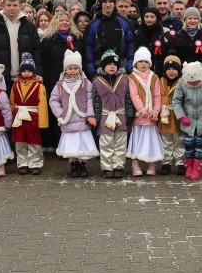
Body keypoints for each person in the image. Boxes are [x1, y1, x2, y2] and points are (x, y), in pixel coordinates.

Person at [40, 10, 84, 152]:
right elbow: (44, 63)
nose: (64, 22)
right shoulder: (48, 40)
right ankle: (57, 143)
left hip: (75, 82)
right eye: (61, 20)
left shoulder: (77, 39)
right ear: (55, 23)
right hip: (55, 81)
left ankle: (74, 145)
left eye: (67, 20)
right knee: (59, 112)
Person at [50, 49, 98, 177]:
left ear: (80, 69)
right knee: (72, 146)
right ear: (65, 69)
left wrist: (90, 114)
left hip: (82, 120)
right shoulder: (60, 85)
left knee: (82, 145)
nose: (72, 71)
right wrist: (60, 114)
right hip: (68, 120)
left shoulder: (86, 83)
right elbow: (53, 100)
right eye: (70, 68)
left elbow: (90, 99)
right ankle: (73, 165)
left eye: (75, 68)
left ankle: (82, 165)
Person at [0, 0, 43, 91]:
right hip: (0, 78)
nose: (12, 8)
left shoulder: (29, 26)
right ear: (3, 6)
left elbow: (37, 52)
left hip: (24, 77)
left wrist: (38, 73)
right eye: (9, 5)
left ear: (20, 6)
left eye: (15, 5)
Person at [173, 61, 202, 181]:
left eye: (196, 82)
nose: (194, 84)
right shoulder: (181, 83)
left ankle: (197, 167)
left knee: (199, 144)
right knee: (188, 143)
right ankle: (188, 165)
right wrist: (181, 116)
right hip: (188, 117)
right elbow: (176, 101)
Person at [93, 50, 133, 179]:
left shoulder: (125, 79)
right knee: (106, 143)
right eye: (109, 64)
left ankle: (118, 166)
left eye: (114, 64)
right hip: (105, 117)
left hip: (121, 116)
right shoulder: (97, 81)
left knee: (121, 143)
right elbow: (96, 101)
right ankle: (107, 167)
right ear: (103, 66)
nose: (112, 66)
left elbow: (128, 98)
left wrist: (130, 115)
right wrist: (96, 117)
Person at [127, 47, 165, 176]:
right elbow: (134, 95)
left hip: (151, 117)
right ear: (135, 63)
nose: (143, 64)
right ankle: (135, 164)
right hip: (140, 116)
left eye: (146, 62)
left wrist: (156, 110)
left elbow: (157, 95)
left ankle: (152, 164)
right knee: (137, 140)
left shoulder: (154, 77)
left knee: (151, 141)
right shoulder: (132, 77)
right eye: (140, 61)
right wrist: (141, 109)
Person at [9, 53, 48, 175]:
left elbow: (42, 104)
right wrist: (11, 118)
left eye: (29, 70)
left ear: (34, 72)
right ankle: (22, 164)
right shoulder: (15, 86)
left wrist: (42, 122)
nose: (26, 73)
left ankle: (35, 164)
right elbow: (12, 102)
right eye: (24, 70)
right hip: (19, 117)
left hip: (33, 117)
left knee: (34, 142)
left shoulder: (39, 86)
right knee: (20, 142)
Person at [86, 0, 134, 75]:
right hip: (99, 68)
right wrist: (92, 71)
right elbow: (89, 47)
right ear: (100, 3)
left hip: (121, 68)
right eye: (104, 2)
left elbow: (131, 45)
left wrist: (129, 68)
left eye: (110, 1)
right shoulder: (92, 25)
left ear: (114, 3)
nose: (108, 5)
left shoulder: (126, 23)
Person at [170, 7, 202, 76]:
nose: (192, 21)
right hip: (185, 73)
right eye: (190, 18)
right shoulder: (178, 35)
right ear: (185, 20)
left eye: (195, 18)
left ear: (199, 20)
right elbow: (174, 56)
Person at [157, 56, 184, 176]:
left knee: (179, 140)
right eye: (168, 69)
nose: (171, 71)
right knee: (166, 140)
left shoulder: (183, 82)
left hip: (177, 115)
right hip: (164, 116)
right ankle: (166, 162)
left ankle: (180, 162)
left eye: (174, 69)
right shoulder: (160, 81)